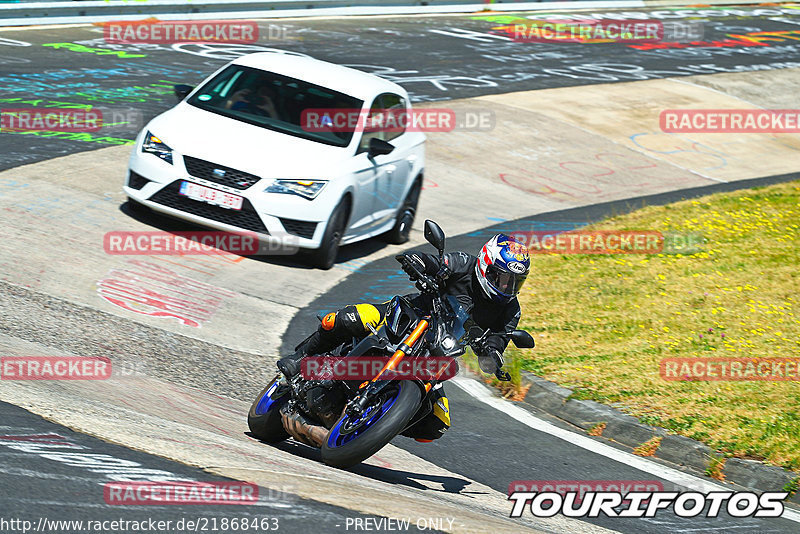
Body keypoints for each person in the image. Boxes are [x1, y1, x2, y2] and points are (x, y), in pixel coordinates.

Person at [278, 234, 531, 441]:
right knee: (350, 318)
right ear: (485, 264)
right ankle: (299, 359)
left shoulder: (511, 309)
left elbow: (499, 340)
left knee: (436, 425)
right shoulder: (464, 263)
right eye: (503, 278)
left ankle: (371, 423)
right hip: (409, 316)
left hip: (439, 350)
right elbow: (436, 263)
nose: (507, 287)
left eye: (515, 282)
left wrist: (492, 355)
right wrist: (419, 263)